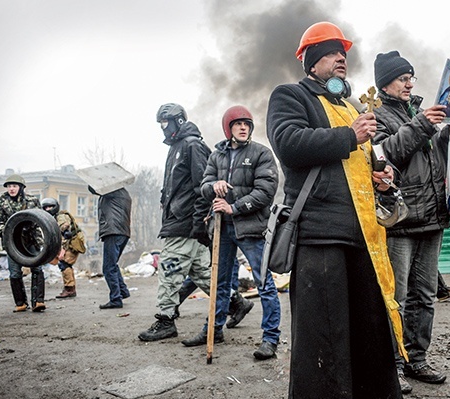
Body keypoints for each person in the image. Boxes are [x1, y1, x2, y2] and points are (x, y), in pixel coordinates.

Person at [266, 22, 404, 398]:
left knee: (369, 332)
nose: (341, 57)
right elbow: (289, 143)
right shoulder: (291, 96)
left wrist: (381, 173)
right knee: (323, 337)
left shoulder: (352, 106)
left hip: (364, 237)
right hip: (320, 234)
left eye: (343, 53)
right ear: (312, 62)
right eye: (330, 52)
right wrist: (350, 136)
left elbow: (363, 157)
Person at [372, 50, 450, 392]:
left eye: (411, 76)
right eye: (402, 77)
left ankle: (417, 359)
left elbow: (430, 156)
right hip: (401, 220)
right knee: (395, 297)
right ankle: (393, 366)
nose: (409, 82)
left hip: (431, 216)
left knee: (425, 295)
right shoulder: (377, 115)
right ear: (385, 82)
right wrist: (425, 123)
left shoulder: (418, 111)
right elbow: (387, 154)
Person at [182, 105, 280, 360]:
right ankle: (213, 330)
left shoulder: (261, 153)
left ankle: (270, 338)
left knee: (264, 283)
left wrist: (233, 206)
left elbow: (265, 191)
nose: (244, 127)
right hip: (221, 229)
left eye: (247, 124)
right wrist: (213, 185)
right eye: (238, 124)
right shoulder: (216, 156)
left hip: (250, 227)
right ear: (229, 128)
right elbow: (203, 186)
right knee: (220, 283)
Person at [138, 103, 217, 342]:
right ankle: (234, 303)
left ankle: (165, 320)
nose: (163, 128)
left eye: (166, 123)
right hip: (179, 220)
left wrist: (198, 222)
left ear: (178, 122)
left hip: (185, 222)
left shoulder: (192, 145)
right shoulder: (177, 147)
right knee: (202, 271)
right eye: (161, 124)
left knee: (169, 269)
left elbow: (203, 186)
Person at [0, 174, 46, 312]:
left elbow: (42, 219)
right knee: (15, 273)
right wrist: (11, 231)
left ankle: (38, 302)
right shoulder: (2, 202)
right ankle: (20, 303)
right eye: (9, 186)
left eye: (14, 186)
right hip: (13, 244)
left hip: (31, 240)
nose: (11, 189)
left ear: (21, 187)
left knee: (37, 269)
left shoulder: (32, 201)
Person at [89, 185, 132, 309]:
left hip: (113, 231)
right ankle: (122, 291)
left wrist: (95, 180)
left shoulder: (112, 190)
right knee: (113, 264)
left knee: (108, 267)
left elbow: (93, 189)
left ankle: (115, 299)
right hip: (123, 231)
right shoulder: (125, 193)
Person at [41, 197, 86, 299]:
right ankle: (70, 288)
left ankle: (69, 289)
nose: (48, 209)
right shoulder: (53, 217)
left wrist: (63, 250)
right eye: (46, 207)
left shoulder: (61, 217)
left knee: (64, 264)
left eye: (50, 207)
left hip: (71, 243)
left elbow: (67, 234)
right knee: (64, 264)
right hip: (68, 243)